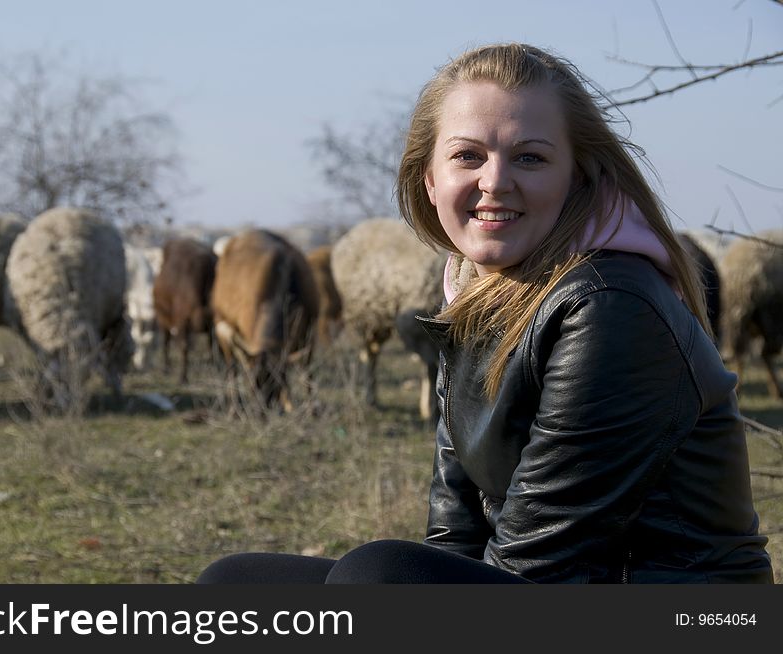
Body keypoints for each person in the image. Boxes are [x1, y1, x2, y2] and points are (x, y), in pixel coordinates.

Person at [197, 42, 773, 584]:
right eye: (468, 155)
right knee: (237, 583)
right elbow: (455, 534)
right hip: (550, 585)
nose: (495, 182)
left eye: (530, 156)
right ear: (428, 179)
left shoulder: (608, 306)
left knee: (377, 578)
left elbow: (541, 561)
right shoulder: (474, 293)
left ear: (578, 176)